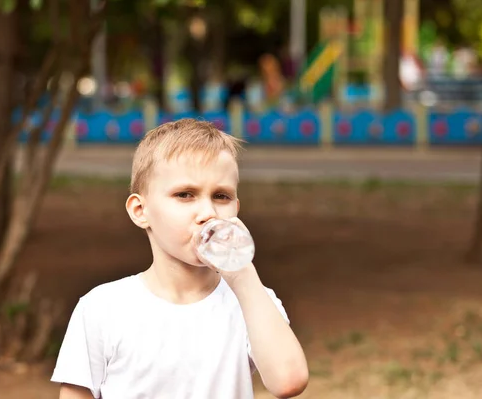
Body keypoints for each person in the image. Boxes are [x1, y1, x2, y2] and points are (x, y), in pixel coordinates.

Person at [51, 119, 309, 399]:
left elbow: (289, 382)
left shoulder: (253, 301)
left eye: (221, 196)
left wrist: (242, 272)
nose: (208, 212)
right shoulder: (102, 308)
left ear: (236, 208)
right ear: (141, 210)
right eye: (185, 195)